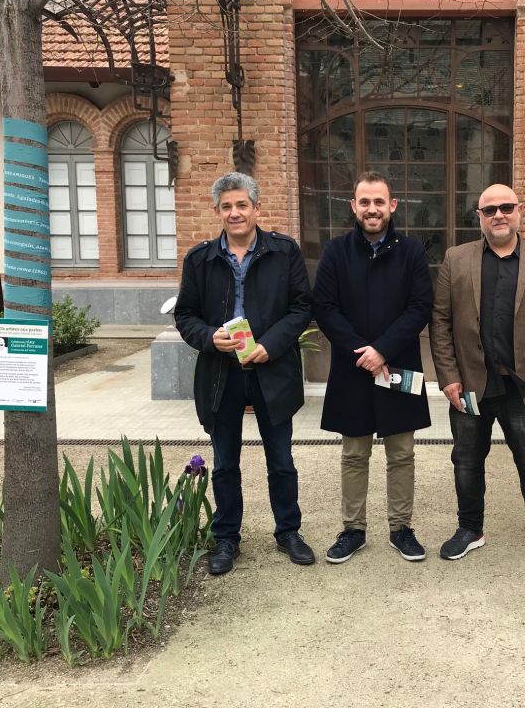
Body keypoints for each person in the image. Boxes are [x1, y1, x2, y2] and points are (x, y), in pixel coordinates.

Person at [174, 172, 315, 575]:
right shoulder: (199, 259)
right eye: (226, 207)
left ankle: (288, 531)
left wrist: (271, 344)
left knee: (282, 459)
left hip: (271, 368)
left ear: (257, 208)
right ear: (216, 211)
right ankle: (227, 538)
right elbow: (185, 314)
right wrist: (207, 337)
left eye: (242, 205)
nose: (234, 213)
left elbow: (302, 307)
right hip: (221, 373)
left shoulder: (283, 252)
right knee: (224, 463)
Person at [430, 183, 525, 571]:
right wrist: (447, 377)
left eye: (506, 207)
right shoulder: (456, 259)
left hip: (523, 387)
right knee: (466, 461)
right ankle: (470, 529)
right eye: (489, 209)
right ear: (478, 217)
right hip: (471, 386)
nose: (499, 215)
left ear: (519, 211)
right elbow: (440, 323)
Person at [313, 172, 433, 564]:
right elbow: (325, 308)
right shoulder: (336, 251)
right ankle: (353, 529)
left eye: (379, 202)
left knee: (402, 452)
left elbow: (420, 308)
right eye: (364, 202)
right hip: (352, 369)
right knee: (353, 453)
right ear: (353, 206)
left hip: (398, 367)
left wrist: (382, 350)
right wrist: (360, 351)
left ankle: (401, 528)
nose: (372, 209)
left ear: (392, 206)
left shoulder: (412, 251)